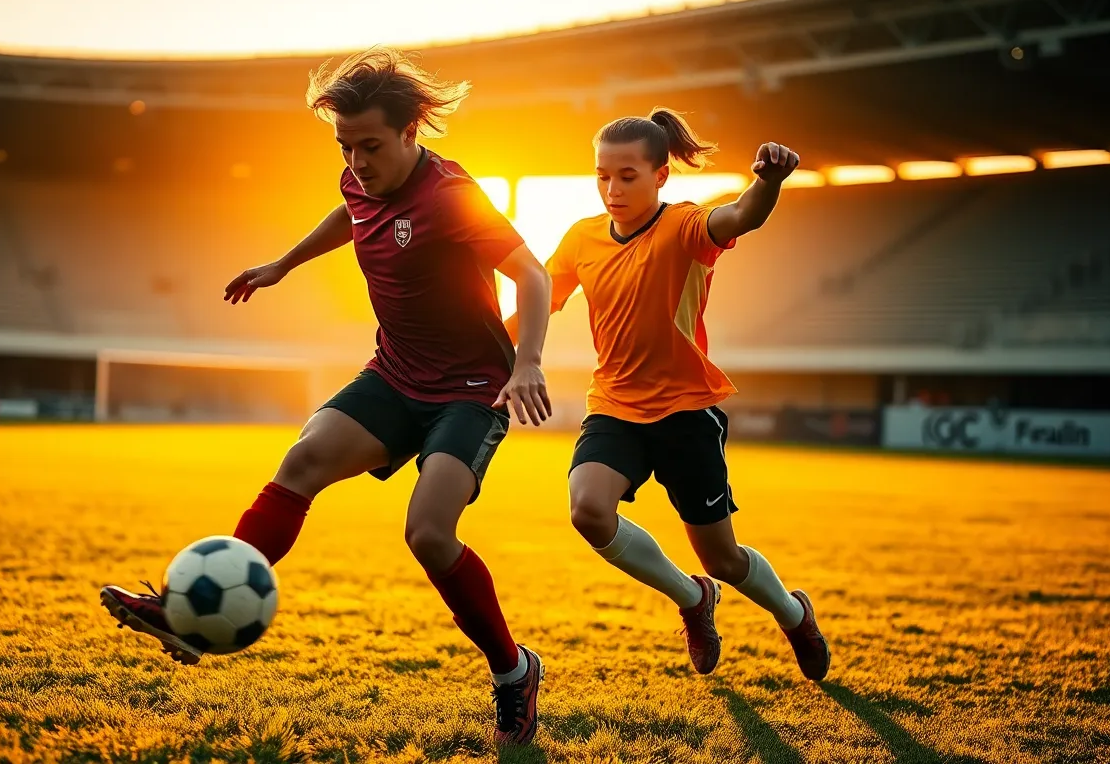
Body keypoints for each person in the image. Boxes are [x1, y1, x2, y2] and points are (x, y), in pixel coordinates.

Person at [100, 48, 553, 744]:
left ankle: (513, 670)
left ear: (410, 132)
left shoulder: (453, 195)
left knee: (429, 535)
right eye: (346, 146)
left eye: (371, 145)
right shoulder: (358, 177)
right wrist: (283, 263)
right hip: (395, 374)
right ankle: (189, 616)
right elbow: (350, 212)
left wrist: (528, 363)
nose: (357, 161)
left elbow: (532, 273)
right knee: (302, 461)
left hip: (469, 389)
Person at [512, 107, 830, 681]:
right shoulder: (581, 237)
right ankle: (692, 598)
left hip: (686, 412)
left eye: (627, 176)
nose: (612, 189)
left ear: (660, 175)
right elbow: (539, 304)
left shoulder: (684, 226)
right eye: (602, 176)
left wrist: (767, 182)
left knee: (724, 558)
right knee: (588, 510)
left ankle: (792, 613)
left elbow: (742, 215)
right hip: (614, 406)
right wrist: (487, 351)